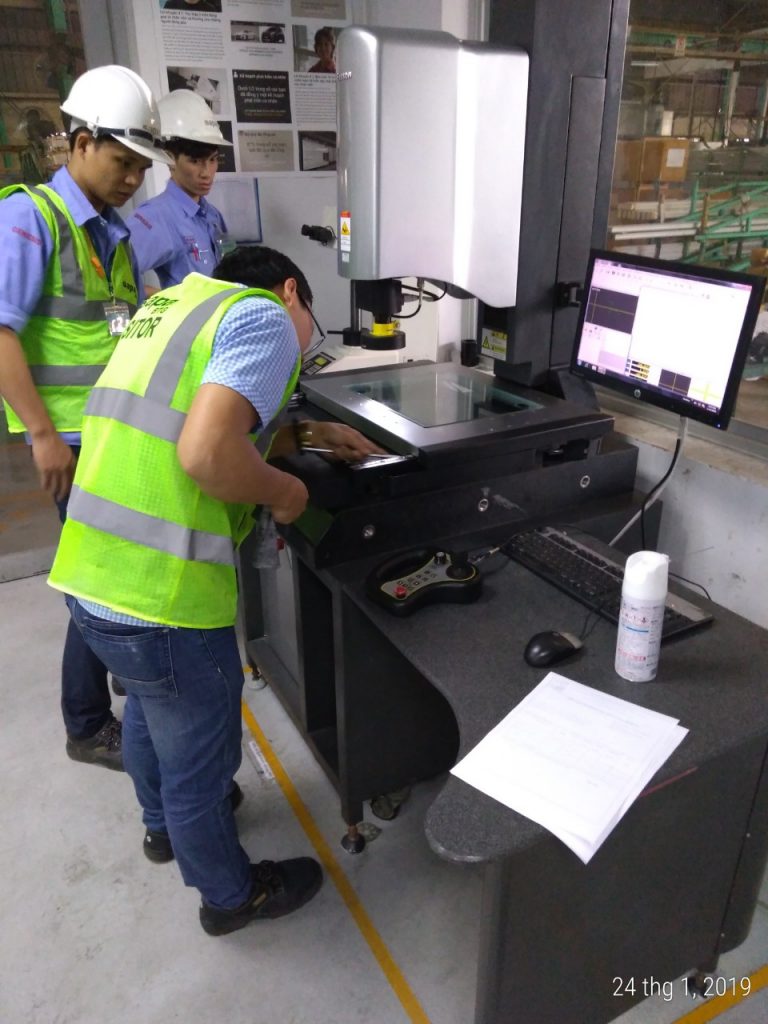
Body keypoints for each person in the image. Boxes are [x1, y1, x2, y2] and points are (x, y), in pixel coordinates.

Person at [47, 246, 381, 933]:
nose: (303, 346)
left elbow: (185, 423)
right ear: (291, 293)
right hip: (162, 596)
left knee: (150, 710)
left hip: (92, 574)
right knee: (199, 767)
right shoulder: (262, 316)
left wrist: (308, 432)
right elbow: (205, 453)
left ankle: (162, 828)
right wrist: (285, 492)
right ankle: (230, 897)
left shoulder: (172, 308)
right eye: (311, 325)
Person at [0, 65, 173, 772]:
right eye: (122, 161)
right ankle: (87, 723)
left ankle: (108, 689)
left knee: (103, 576)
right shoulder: (31, 218)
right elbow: (1, 332)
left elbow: (118, 327)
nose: (132, 178)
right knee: (96, 584)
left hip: (109, 436)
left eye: (141, 167)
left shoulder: (113, 233)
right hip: (70, 439)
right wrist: (42, 435)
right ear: (79, 143)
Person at [126, 90, 231, 289]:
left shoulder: (213, 216)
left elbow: (231, 266)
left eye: (212, 160)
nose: (206, 173)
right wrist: (166, 300)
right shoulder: (155, 217)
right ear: (170, 158)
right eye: (195, 161)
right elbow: (115, 277)